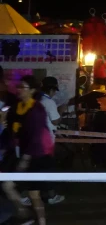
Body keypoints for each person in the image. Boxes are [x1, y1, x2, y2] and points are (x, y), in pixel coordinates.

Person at [2, 76, 54, 225]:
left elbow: (36, 137)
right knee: (8, 185)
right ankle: (25, 214)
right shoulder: (16, 106)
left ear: (32, 90)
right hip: (20, 153)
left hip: (37, 155)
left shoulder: (37, 110)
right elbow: (11, 131)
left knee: (33, 193)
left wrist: (25, 159)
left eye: (23, 87)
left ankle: (36, 219)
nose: (19, 90)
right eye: (18, 87)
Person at [24, 77, 65, 206]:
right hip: (45, 142)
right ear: (52, 89)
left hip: (33, 140)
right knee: (47, 168)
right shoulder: (49, 102)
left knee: (35, 169)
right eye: (54, 90)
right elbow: (55, 121)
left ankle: (29, 195)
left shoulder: (36, 100)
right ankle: (50, 196)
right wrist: (62, 111)